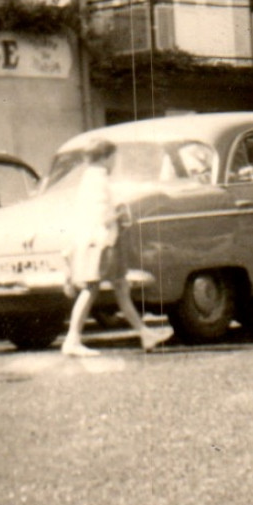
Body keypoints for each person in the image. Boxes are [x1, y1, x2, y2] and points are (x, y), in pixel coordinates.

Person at [61, 138, 172, 357]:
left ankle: (145, 334)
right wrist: (120, 213)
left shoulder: (90, 179)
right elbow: (102, 215)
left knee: (120, 287)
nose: (114, 162)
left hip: (99, 240)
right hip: (101, 242)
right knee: (92, 288)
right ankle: (72, 340)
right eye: (113, 158)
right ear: (105, 157)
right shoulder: (98, 181)